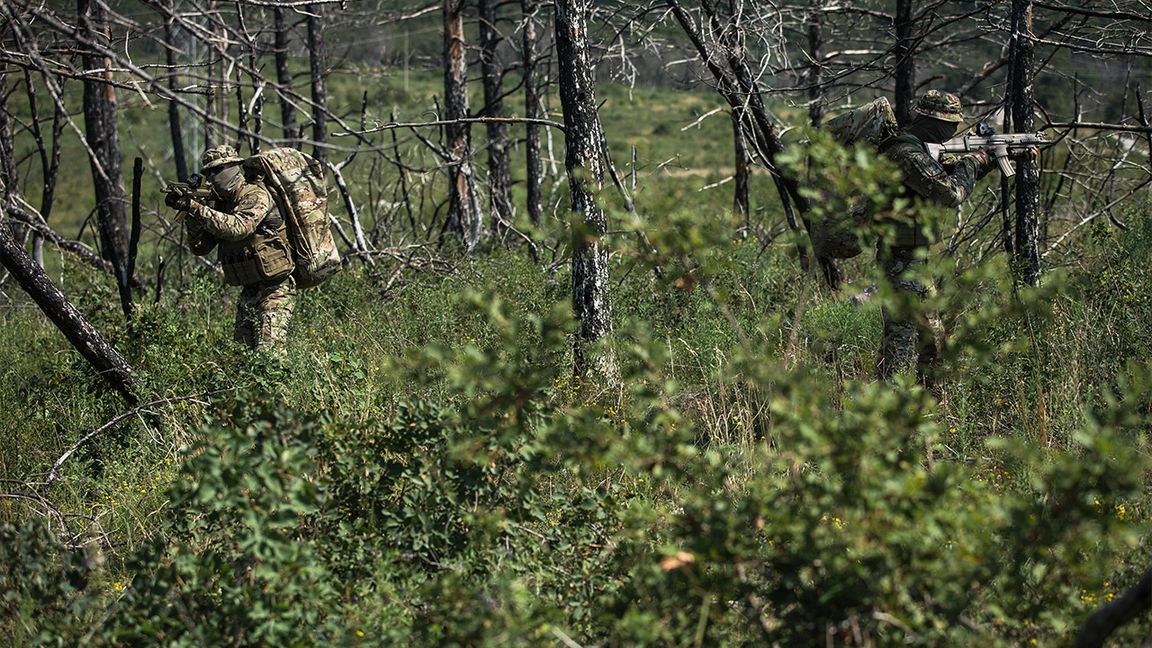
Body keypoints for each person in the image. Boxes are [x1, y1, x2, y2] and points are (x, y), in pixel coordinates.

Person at [874, 90, 994, 384]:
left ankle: (927, 402)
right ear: (932, 121)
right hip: (900, 262)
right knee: (900, 345)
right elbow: (951, 192)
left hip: (917, 262)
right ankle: (889, 404)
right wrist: (972, 162)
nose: (952, 130)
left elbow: (950, 178)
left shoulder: (920, 151)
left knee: (934, 340)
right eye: (949, 124)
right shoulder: (907, 155)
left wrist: (990, 159)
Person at [165, 145, 297, 357]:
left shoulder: (255, 194)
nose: (212, 176)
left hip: (275, 289)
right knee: (241, 359)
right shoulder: (221, 205)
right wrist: (192, 214)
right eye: (208, 172)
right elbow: (200, 247)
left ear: (234, 166)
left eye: (218, 169)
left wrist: (198, 209)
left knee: (269, 356)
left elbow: (239, 228)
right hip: (249, 292)